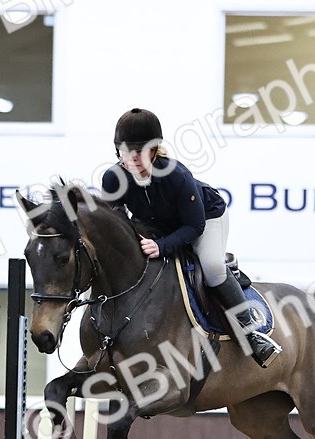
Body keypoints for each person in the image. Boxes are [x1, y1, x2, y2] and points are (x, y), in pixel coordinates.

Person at [100, 108, 281, 368]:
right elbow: (116, 225)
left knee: (212, 266)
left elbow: (194, 226)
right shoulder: (113, 178)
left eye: (138, 152)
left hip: (204, 219)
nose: (132, 159)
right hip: (155, 225)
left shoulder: (176, 175)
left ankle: (252, 333)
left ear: (154, 150)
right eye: (125, 152)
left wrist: (161, 247)